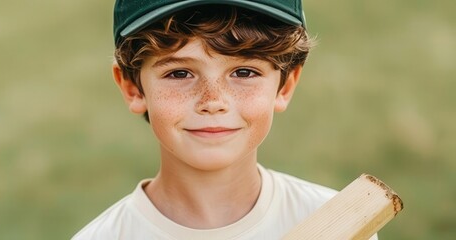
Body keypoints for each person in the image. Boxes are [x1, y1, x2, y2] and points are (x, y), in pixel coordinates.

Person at [73, 1, 377, 239]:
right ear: (132, 87)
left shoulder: (338, 221)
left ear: (285, 86)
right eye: (179, 73)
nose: (213, 102)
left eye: (244, 72)